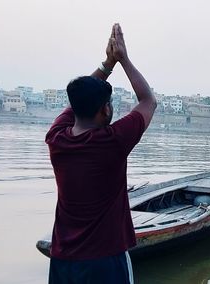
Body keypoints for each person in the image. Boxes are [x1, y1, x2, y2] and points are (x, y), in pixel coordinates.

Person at [45, 23, 156, 284]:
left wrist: (107, 64)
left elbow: (78, 103)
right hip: (104, 261)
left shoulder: (57, 138)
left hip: (62, 259)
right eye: (109, 104)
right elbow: (148, 101)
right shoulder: (112, 142)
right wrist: (123, 60)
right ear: (104, 110)